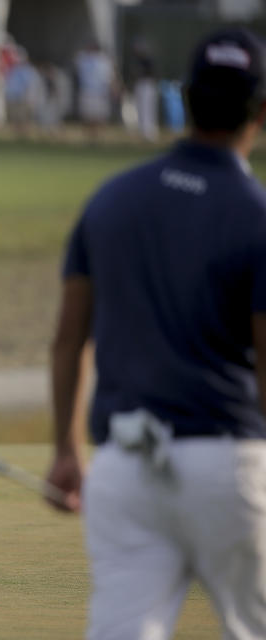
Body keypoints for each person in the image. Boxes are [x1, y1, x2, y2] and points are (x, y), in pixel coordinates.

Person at [46, 28, 266, 639]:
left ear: (186, 97)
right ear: (262, 111)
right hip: (230, 463)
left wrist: (67, 448)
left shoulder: (111, 200)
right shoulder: (256, 214)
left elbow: (69, 338)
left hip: (125, 467)